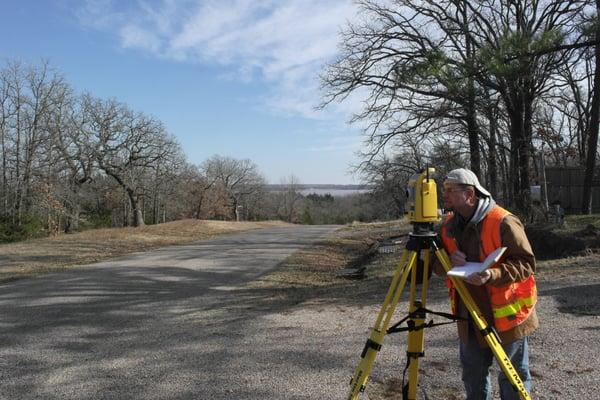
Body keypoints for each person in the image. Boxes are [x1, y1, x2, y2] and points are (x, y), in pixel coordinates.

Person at [434, 168, 538, 400]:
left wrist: (493, 274)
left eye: (450, 190)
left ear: (470, 194)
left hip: (506, 316)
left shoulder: (503, 221)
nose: (444, 195)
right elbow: (436, 265)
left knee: (513, 377)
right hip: (468, 314)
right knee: (473, 375)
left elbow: (526, 263)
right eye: (444, 190)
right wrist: (448, 261)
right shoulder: (448, 225)